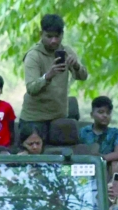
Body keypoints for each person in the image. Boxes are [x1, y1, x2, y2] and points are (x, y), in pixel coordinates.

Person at [19, 14, 88, 142]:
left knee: (61, 157)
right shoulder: (33, 56)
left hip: (59, 117)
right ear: (41, 34)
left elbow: (83, 77)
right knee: (35, 157)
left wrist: (76, 66)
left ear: (62, 34)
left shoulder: (66, 51)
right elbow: (31, 88)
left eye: (57, 36)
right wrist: (48, 76)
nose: (54, 41)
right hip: (34, 118)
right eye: (49, 36)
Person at [79, 95, 118, 167]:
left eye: (108, 113)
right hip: (85, 167)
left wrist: (100, 159)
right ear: (92, 115)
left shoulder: (115, 133)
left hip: (106, 168)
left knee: (115, 165)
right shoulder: (83, 132)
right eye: (101, 112)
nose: (105, 115)